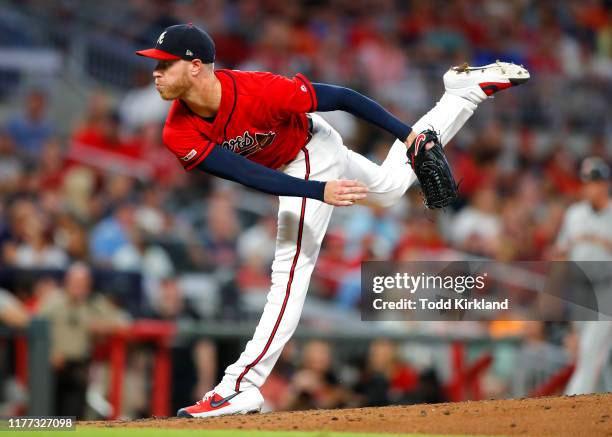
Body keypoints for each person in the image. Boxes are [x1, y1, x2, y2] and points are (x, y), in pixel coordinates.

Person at [135, 23, 529, 417]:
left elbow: (342, 97)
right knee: (392, 188)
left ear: (195, 67)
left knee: (290, 271)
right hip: (297, 170)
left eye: (164, 65)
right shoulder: (177, 131)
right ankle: (463, 95)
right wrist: (317, 191)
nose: (155, 72)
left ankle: (242, 386)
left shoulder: (258, 89)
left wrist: (407, 134)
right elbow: (245, 174)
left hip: (311, 149)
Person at [555, 157, 612, 395]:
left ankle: (570, 405)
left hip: (607, 289)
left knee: (590, 350)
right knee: (591, 355)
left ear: (606, 184)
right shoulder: (574, 214)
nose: (591, 186)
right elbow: (560, 253)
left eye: (596, 181)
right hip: (580, 290)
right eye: (587, 181)